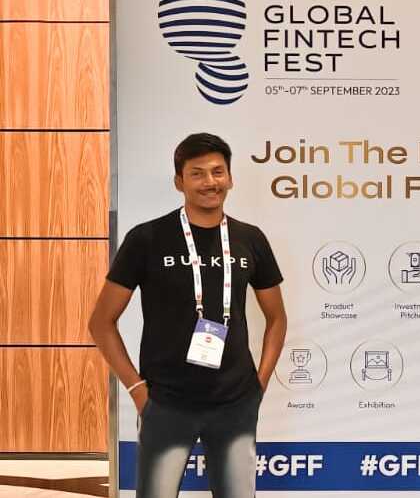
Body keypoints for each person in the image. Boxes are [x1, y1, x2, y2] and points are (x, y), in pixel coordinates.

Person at [89, 133, 288, 497]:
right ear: (179, 182)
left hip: (235, 403)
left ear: (230, 178)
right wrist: (136, 389)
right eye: (197, 173)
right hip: (165, 402)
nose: (210, 182)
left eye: (217, 172)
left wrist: (258, 386)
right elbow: (101, 323)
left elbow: (276, 317)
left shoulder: (250, 239)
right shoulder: (147, 238)